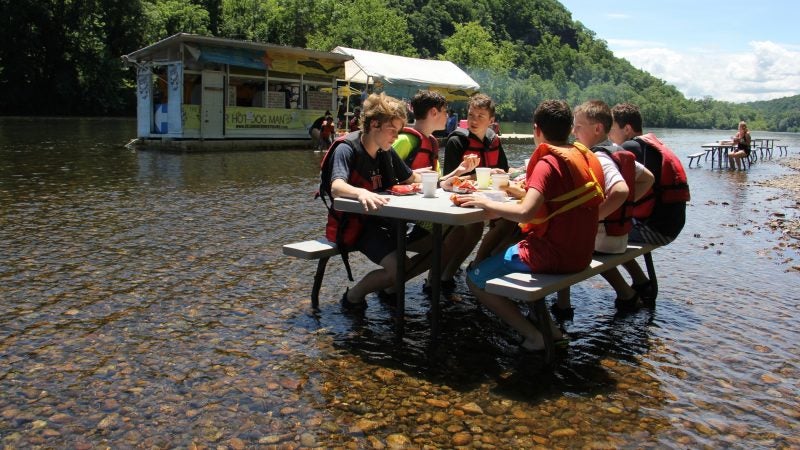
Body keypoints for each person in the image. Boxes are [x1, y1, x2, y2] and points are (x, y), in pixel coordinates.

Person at [457, 100, 605, 352]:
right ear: (570, 129)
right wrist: (515, 191)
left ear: (536, 129)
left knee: (474, 279)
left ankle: (533, 336)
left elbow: (527, 212)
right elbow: (556, 202)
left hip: (550, 255)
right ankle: (551, 330)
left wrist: (487, 205)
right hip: (581, 254)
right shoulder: (583, 156)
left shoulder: (547, 163)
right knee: (504, 250)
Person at [319, 93, 432, 312]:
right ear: (374, 124)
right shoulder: (347, 148)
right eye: (392, 130)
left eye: (398, 131)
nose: (396, 136)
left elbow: (411, 178)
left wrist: (450, 178)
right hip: (359, 225)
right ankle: (353, 297)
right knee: (399, 268)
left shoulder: (386, 151)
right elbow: (337, 186)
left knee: (439, 248)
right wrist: (361, 193)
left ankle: (389, 288)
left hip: (387, 221)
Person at [552, 100, 655, 319]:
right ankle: (629, 292)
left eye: (578, 127)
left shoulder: (599, 157)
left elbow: (619, 190)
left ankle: (563, 306)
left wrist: (594, 217)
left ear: (597, 129)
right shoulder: (616, 152)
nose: (573, 131)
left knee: (562, 238)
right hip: (620, 236)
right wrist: (627, 207)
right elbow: (648, 179)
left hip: (605, 238)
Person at [606, 102, 689, 305]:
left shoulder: (628, 149)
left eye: (612, 129)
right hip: (671, 225)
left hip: (654, 228)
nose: (609, 136)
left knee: (595, 237)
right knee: (611, 230)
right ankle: (642, 282)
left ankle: (628, 294)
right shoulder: (650, 145)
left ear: (627, 129)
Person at [436, 94, 510, 293]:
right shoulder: (457, 141)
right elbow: (449, 181)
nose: (474, 120)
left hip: (488, 200)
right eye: (471, 115)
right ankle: (439, 277)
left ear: (491, 120)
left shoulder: (494, 141)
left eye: (480, 116)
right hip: (457, 200)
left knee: (506, 224)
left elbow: (504, 170)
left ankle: (465, 269)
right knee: (471, 228)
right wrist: (480, 176)